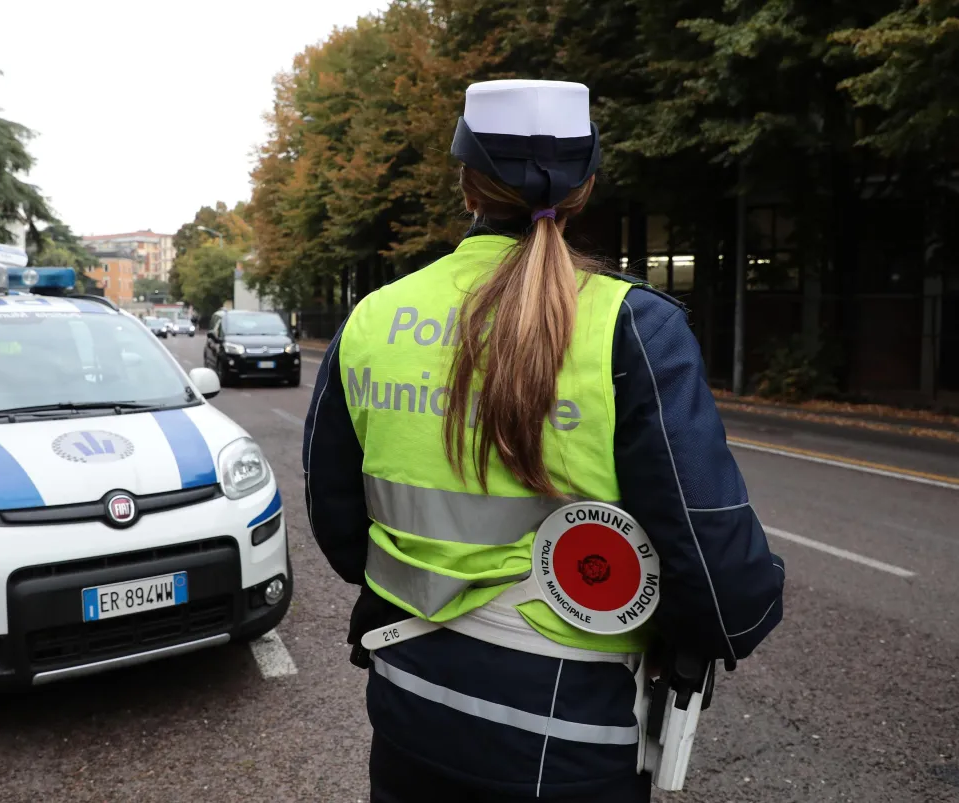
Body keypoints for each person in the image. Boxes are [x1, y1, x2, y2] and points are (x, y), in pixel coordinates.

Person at [302, 79, 786, 802]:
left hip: (410, 708)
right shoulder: (633, 327)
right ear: (587, 183)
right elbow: (723, 586)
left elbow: (339, 524)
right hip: (569, 738)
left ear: (466, 180)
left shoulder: (374, 317)